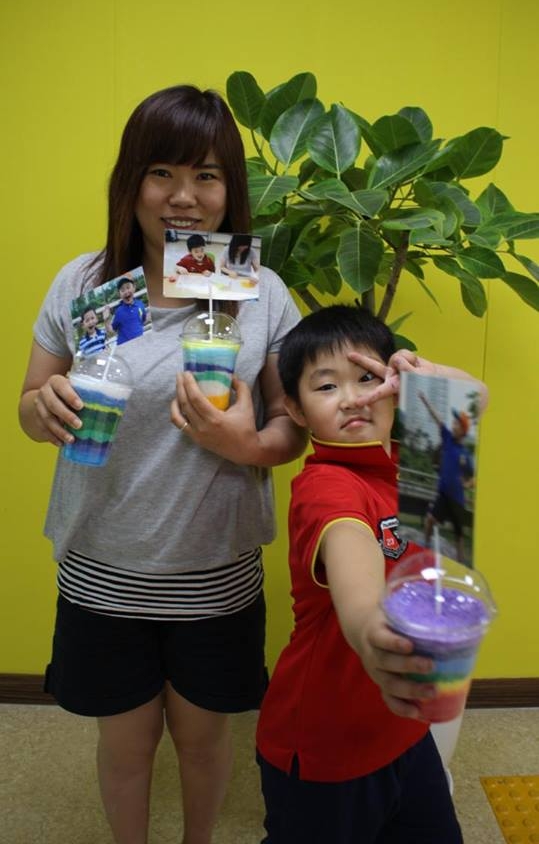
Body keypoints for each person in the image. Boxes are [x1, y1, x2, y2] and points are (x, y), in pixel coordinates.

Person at [18, 84, 306, 844]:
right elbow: (28, 405)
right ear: (131, 182)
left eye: (206, 175)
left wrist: (245, 445)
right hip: (102, 564)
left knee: (204, 742)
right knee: (126, 744)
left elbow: (291, 427)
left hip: (214, 571)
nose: (184, 197)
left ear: (229, 188)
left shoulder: (259, 292)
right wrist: (43, 407)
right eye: (162, 173)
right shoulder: (85, 283)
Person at [255, 303, 487, 844]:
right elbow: (353, 567)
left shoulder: (417, 460)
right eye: (326, 386)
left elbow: (472, 397)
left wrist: (422, 375)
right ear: (295, 409)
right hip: (325, 746)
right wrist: (370, 632)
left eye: (366, 378)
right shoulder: (326, 485)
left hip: (404, 727)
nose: (353, 398)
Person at [419, 392, 475, 563]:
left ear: (463, 430)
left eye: (456, 423)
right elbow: (438, 419)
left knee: (458, 535)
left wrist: (466, 484)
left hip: (457, 500)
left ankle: (461, 562)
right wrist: (426, 401)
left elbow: (472, 477)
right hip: (443, 495)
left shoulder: (465, 454)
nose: (453, 424)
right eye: (454, 422)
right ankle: (425, 546)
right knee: (430, 520)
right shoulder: (448, 438)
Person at [103, 275, 148, 345]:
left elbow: (143, 320)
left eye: (128, 287)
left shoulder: (140, 304)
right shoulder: (119, 312)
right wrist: (106, 320)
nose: (126, 292)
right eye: (122, 290)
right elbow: (111, 331)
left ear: (134, 287)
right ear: (119, 294)